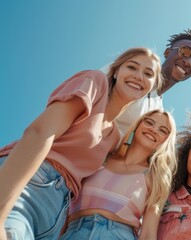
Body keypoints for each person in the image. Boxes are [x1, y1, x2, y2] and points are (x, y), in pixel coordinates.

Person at [0, 47, 162, 239]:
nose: (138, 76)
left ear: (152, 86)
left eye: (148, 74)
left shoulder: (114, 138)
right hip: (31, 182)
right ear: (116, 71)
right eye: (132, 67)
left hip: (59, 212)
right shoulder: (95, 82)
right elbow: (39, 133)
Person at [60, 110, 177, 240]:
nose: (154, 129)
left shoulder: (154, 178)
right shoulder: (102, 158)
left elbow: (148, 234)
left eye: (163, 130)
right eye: (149, 122)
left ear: (166, 141)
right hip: (73, 233)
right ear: (137, 125)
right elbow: (65, 207)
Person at [115, 29, 191, 136]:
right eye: (184, 52)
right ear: (167, 52)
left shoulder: (158, 110)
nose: (188, 62)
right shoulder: (129, 74)